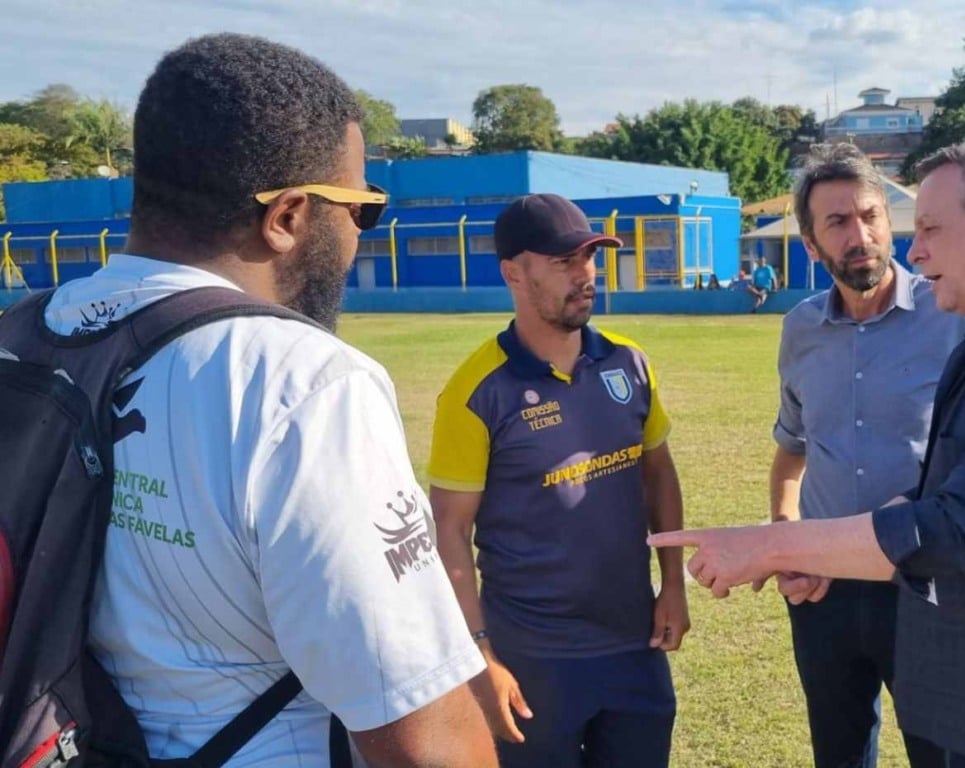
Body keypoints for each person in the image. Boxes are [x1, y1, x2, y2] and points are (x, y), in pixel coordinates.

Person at [42, 34, 495, 766]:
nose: (359, 239)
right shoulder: (303, 382)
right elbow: (426, 736)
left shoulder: (26, 333)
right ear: (287, 216)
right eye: (362, 209)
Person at [651, 134, 965, 768]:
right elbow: (941, 489)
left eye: (932, 229)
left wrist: (770, 545)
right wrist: (816, 538)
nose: (913, 249)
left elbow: (963, 526)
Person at [429, 193, 690, 768]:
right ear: (513, 273)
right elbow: (449, 534)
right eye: (563, 261)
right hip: (532, 658)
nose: (585, 275)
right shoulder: (476, 392)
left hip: (633, 643)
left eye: (590, 258)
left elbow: (659, 473)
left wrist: (673, 584)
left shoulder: (630, 364)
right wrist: (480, 655)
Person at [768, 142, 965, 768]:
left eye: (869, 216)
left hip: (921, 582)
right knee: (839, 752)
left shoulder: (953, 318)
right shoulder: (800, 330)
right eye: (837, 223)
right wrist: (785, 537)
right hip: (825, 590)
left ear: (889, 220)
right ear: (811, 245)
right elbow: (791, 452)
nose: (859, 236)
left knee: (940, 753)